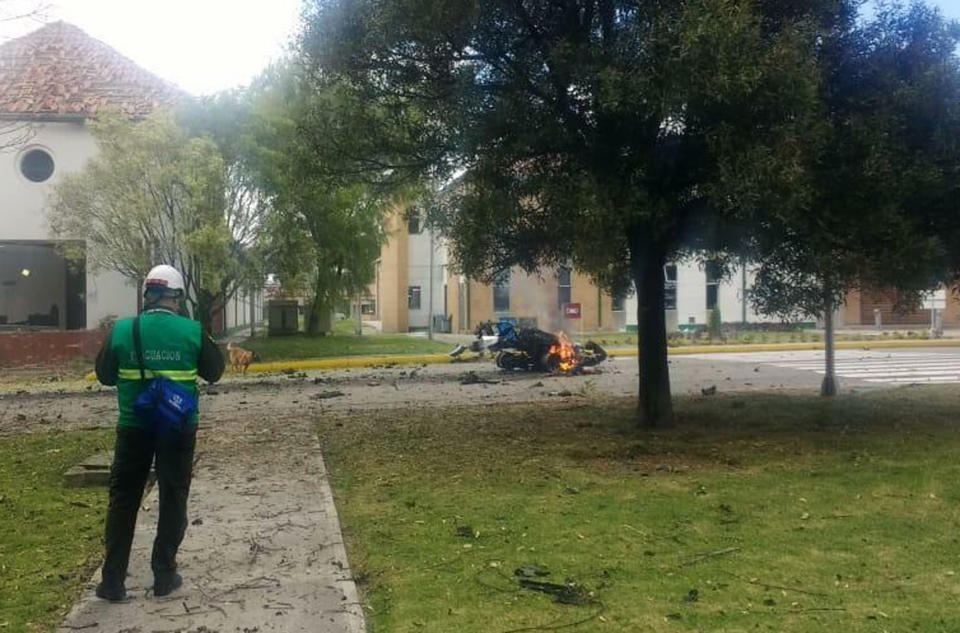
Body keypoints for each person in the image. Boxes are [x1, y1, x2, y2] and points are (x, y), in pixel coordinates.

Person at [93, 264, 224, 601]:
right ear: (176, 297)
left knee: (123, 501)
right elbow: (215, 372)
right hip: (177, 430)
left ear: (147, 294)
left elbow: (105, 376)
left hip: (133, 429)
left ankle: (112, 581)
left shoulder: (122, 330)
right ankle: (164, 574)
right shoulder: (192, 331)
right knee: (173, 496)